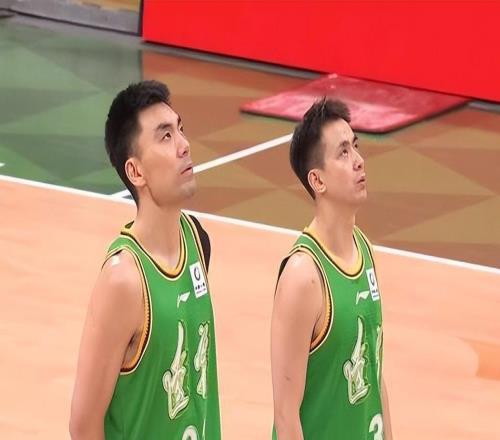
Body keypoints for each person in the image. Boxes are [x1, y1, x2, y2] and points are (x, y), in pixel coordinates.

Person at [70, 80, 221, 440]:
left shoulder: (196, 240)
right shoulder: (123, 280)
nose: (183, 145)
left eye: (180, 129)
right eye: (165, 136)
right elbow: (83, 424)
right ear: (135, 172)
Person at [271, 98, 392, 439]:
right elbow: (285, 414)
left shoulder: (363, 248)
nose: (358, 160)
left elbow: (375, 369)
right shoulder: (303, 276)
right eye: (343, 152)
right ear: (317, 180)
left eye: (355, 146)